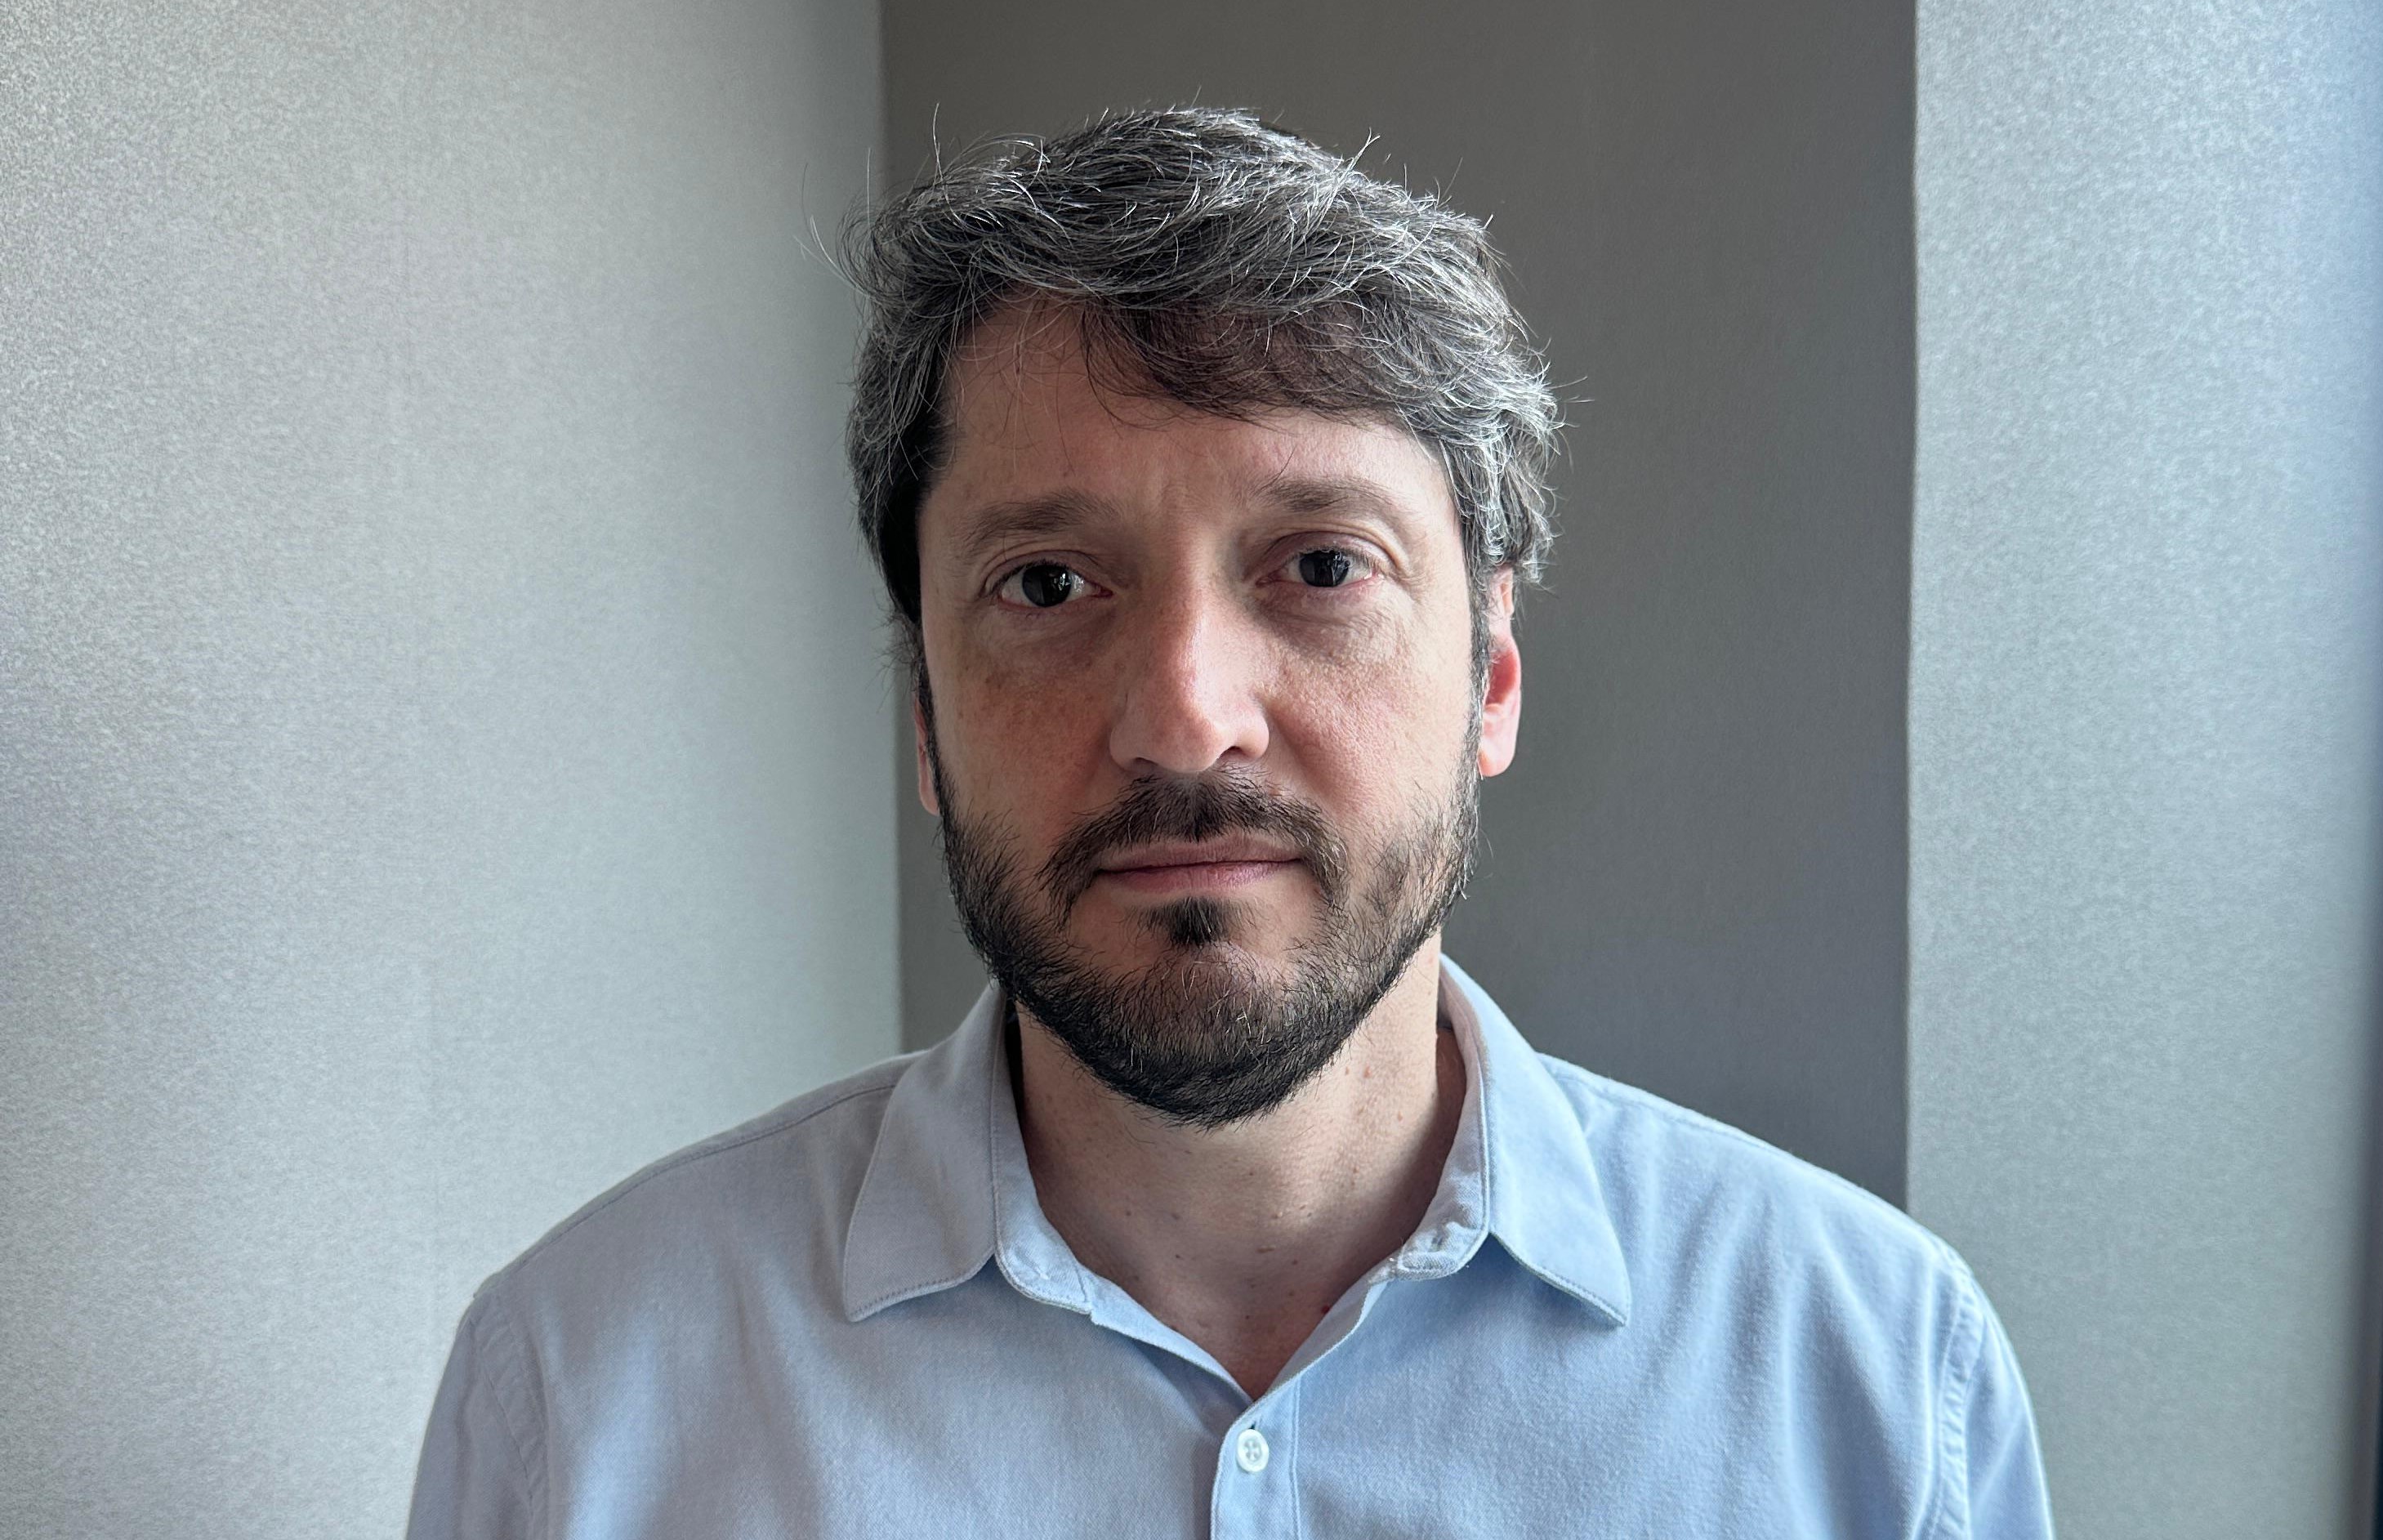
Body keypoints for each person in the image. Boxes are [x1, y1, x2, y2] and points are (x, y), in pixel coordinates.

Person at [406, 106, 2053, 1538]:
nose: (1188, 716)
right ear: (923, 716)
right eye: (1048, 584)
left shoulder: (1882, 1389)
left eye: (1322, 566)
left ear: (1490, 676)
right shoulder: (579, 1394)